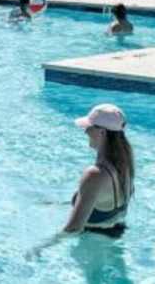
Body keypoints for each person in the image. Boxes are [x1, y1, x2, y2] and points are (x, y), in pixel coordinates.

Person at [29, 104, 135, 257]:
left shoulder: (95, 174)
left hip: (94, 243)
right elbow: (102, 201)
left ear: (102, 132)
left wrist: (41, 246)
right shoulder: (125, 163)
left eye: (89, 127)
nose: (86, 131)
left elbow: (74, 228)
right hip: (115, 232)